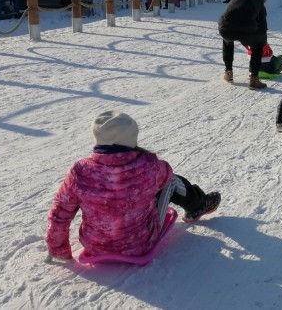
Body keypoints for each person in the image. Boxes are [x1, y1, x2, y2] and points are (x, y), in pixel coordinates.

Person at [45, 111, 221, 261]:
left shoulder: (80, 170)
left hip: (95, 245)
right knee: (172, 181)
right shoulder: (148, 165)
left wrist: (58, 249)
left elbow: (60, 212)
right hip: (140, 243)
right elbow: (167, 173)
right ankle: (198, 205)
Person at [218, 0, 269, 89]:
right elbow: (263, 26)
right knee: (257, 47)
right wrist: (261, 43)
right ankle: (254, 79)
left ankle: (228, 72)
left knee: (227, 41)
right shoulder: (258, 1)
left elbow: (228, 16)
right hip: (247, 29)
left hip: (225, 28)